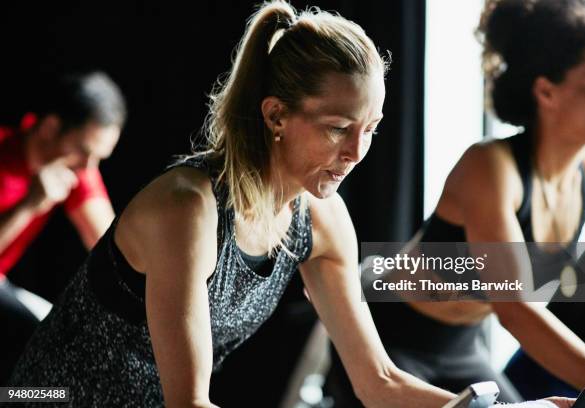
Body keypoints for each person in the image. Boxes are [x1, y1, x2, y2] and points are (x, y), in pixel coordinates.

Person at [8, 3, 458, 408]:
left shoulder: (322, 218)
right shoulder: (187, 208)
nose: (358, 151)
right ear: (275, 115)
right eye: (339, 128)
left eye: (371, 128)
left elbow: (379, 381)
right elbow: (190, 403)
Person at [324, 0, 585, 405]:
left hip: (463, 346)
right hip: (390, 335)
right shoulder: (490, 168)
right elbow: (515, 310)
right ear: (546, 90)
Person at [0, 71, 126, 384]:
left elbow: (114, 250)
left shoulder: (77, 165)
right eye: (85, 151)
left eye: (99, 157)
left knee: (65, 350)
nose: (89, 168)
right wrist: (28, 206)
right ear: (50, 127)